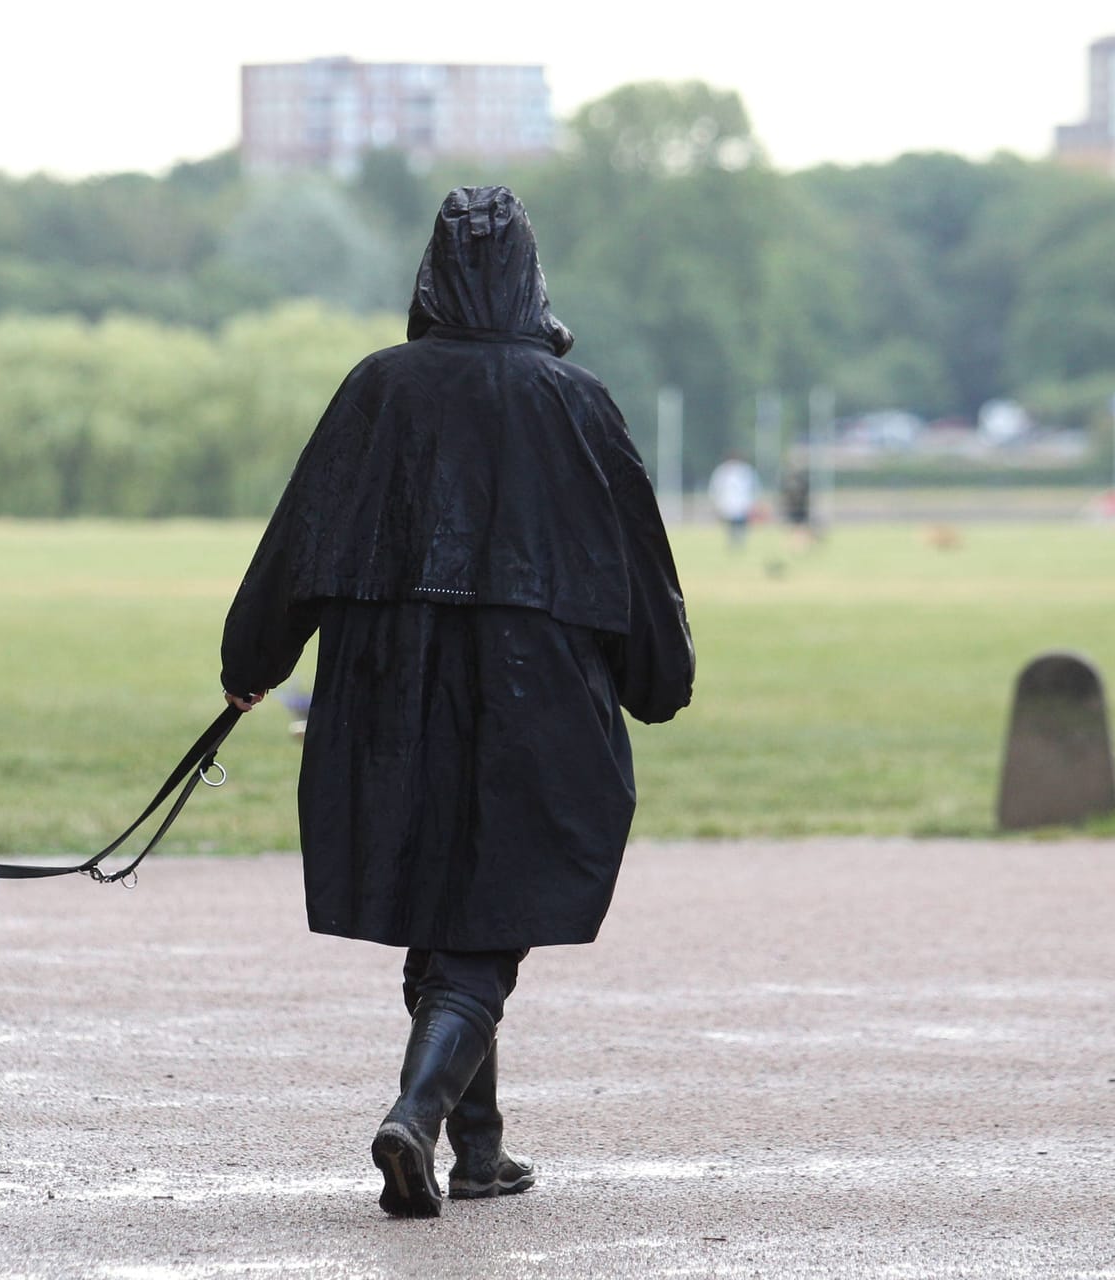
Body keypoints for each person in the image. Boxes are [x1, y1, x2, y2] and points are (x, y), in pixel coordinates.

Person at [218, 185, 694, 1219]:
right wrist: (662, 678)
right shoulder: (577, 401)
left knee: (445, 912)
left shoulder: (376, 389)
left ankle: (478, 1151)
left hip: (390, 693)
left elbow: (298, 538)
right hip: (539, 695)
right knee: (486, 922)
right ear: (533, 274)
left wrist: (251, 658)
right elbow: (641, 564)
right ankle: (418, 1115)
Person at [706, 453, 760, 550]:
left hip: (742, 504)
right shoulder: (723, 471)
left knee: (740, 525)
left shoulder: (745, 471)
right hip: (729, 504)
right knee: (731, 525)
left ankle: (739, 543)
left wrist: (753, 502)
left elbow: (754, 487)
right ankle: (733, 543)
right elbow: (715, 488)